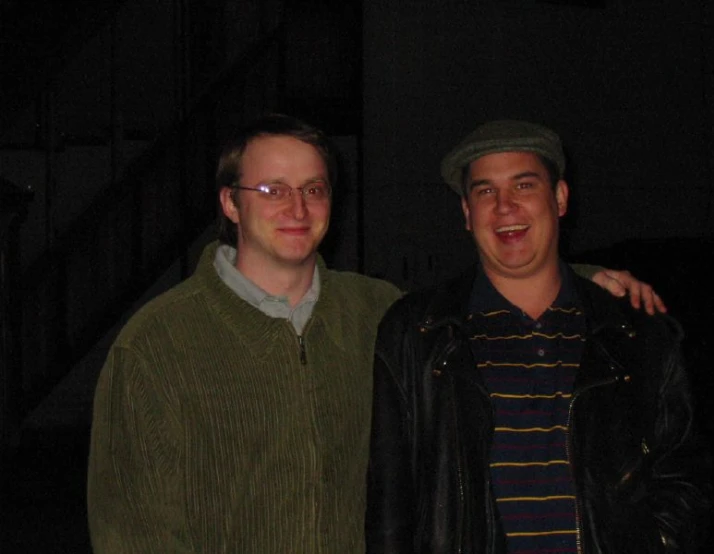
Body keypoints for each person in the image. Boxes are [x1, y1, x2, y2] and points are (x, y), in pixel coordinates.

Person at [87, 114, 667, 553]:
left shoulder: (378, 313)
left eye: (314, 188)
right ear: (229, 204)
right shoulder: (158, 344)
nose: (297, 206)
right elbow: (130, 530)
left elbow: (479, 300)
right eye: (272, 189)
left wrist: (584, 282)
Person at [365, 120, 711, 554]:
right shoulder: (417, 333)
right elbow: (391, 503)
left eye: (524, 185)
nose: (505, 206)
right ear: (467, 214)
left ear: (560, 198)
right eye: (485, 191)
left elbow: (683, 476)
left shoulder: (634, 332)